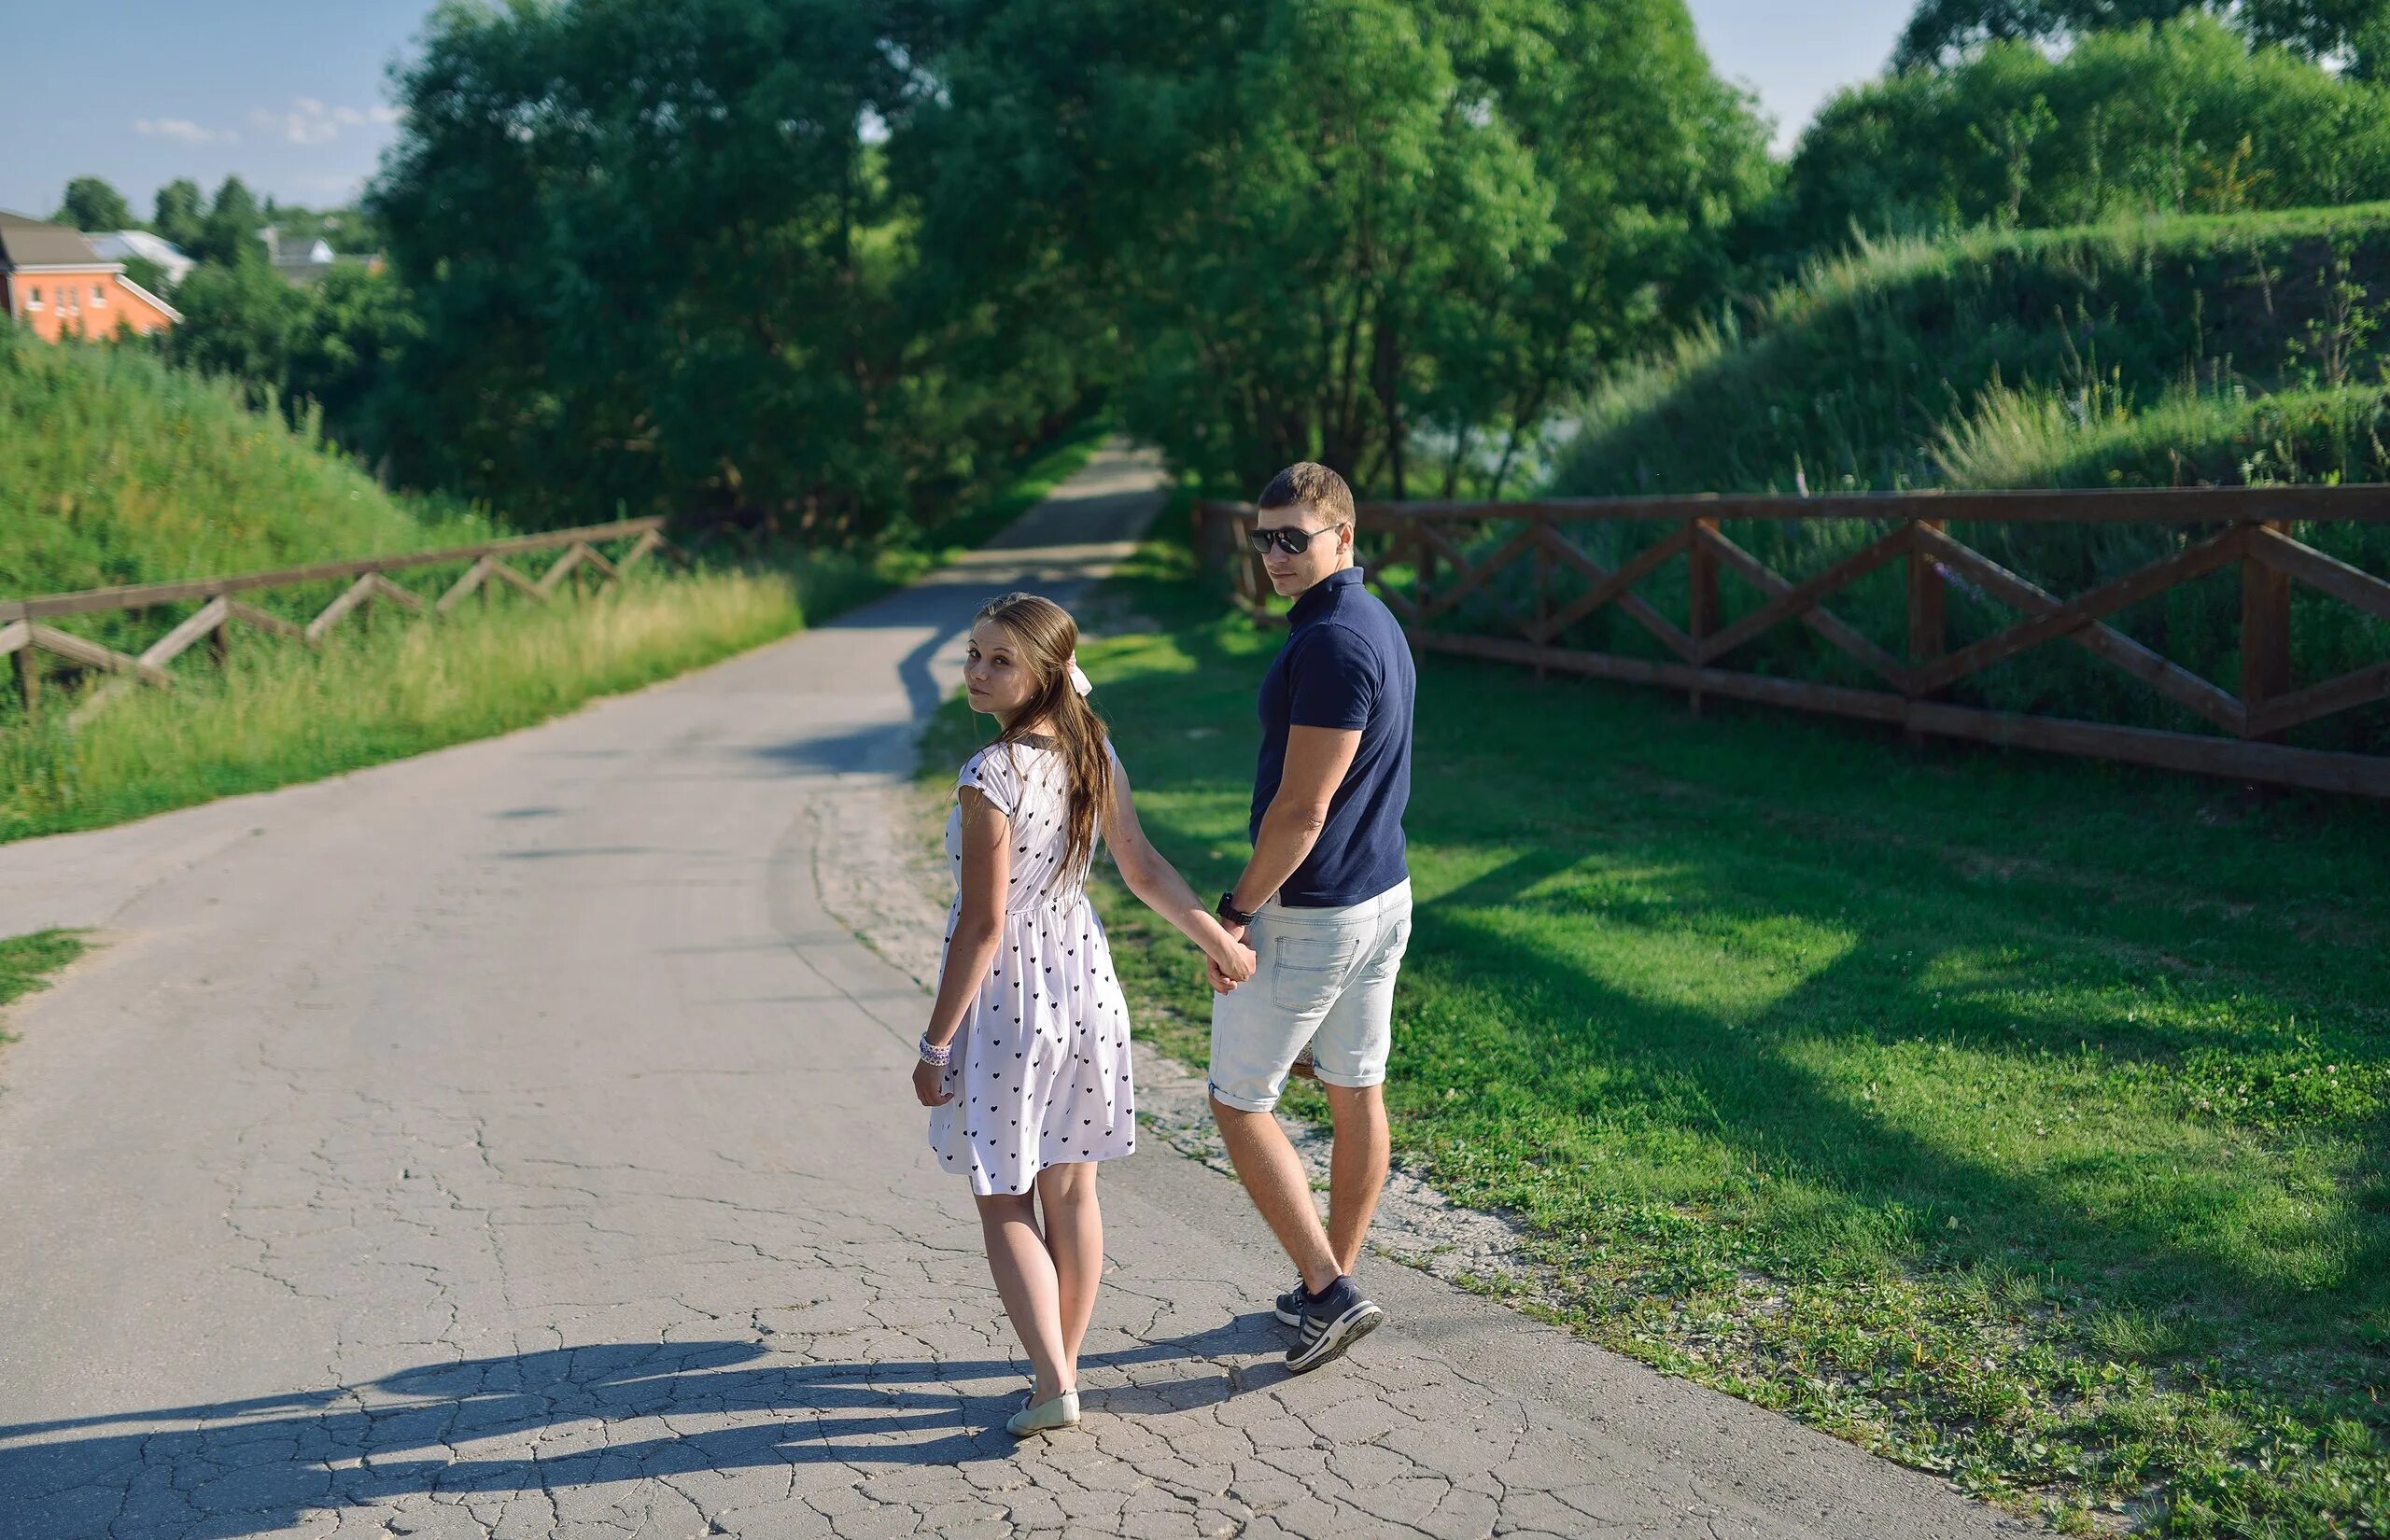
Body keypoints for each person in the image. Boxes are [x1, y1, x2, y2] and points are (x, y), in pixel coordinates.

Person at [912, 592, 1256, 1437]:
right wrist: (1215, 939)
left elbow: (985, 927)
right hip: (1086, 983)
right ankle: (1054, 1376)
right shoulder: (1091, 749)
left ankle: (1053, 1379)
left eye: (1000, 660)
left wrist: (934, 1041)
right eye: (973, 655)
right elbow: (1140, 866)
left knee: (1004, 1196)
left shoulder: (986, 777)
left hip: (1011, 1003)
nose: (979, 673)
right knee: (1071, 1188)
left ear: (1046, 671)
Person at [1206, 461, 1416, 1375]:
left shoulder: (1333, 642)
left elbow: (1301, 811)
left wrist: (1236, 910)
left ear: (1344, 538)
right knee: (1353, 1086)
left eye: (1295, 537)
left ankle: (1329, 1291)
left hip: (1315, 910)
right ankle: (1329, 1282)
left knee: (1238, 1100)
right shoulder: (1368, 620)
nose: (1275, 554)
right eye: (1264, 537)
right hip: (1379, 896)